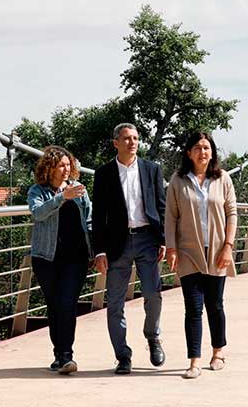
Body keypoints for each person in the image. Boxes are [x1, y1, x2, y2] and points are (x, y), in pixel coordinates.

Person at [92, 123, 166, 374]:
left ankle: (153, 336)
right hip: (117, 244)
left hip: (147, 239)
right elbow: (98, 215)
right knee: (114, 303)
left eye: (135, 138)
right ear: (115, 143)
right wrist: (99, 251)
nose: (132, 142)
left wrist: (164, 240)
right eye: (126, 139)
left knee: (153, 294)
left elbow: (161, 206)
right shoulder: (103, 174)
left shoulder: (152, 169)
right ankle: (122, 356)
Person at [165, 132, 237, 379]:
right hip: (188, 252)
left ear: (212, 152)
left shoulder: (223, 178)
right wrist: (171, 248)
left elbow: (232, 214)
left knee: (215, 305)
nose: (202, 152)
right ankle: (194, 361)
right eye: (197, 148)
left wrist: (228, 245)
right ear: (188, 153)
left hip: (217, 250)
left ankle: (218, 352)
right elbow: (171, 216)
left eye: (207, 148)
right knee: (193, 308)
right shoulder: (178, 180)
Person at [27, 146, 92, 375]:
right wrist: (61, 198)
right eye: (61, 165)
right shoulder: (38, 191)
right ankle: (59, 354)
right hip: (46, 258)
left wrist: (96, 251)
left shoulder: (79, 190)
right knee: (54, 306)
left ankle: (66, 355)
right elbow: (38, 213)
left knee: (67, 303)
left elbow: (89, 219)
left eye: (69, 165)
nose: (66, 169)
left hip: (76, 258)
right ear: (50, 167)